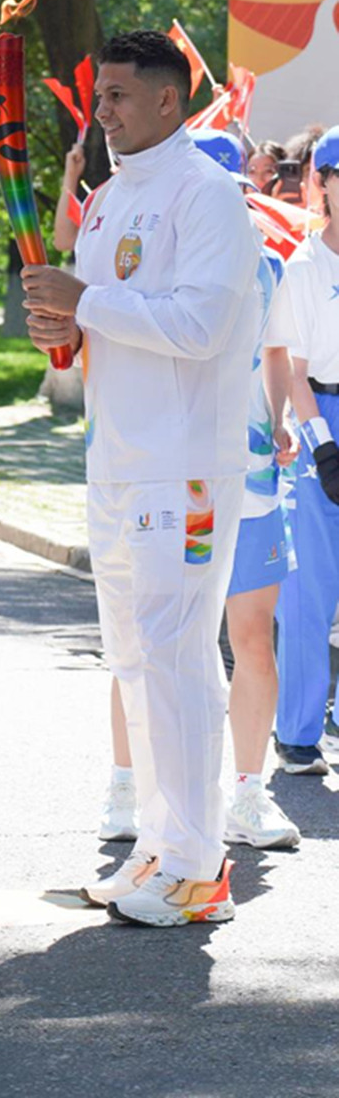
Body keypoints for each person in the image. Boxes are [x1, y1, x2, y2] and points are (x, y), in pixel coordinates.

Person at [23, 31, 259, 927]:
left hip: (185, 467)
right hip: (116, 462)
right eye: (101, 97)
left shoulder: (208, 197)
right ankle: (160, 847)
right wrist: (63, 326)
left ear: (169, 99)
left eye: (119, 96)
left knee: (177, 653)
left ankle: (201, 868)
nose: (104, 112)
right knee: (134, 659)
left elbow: (199, 326)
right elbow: (95, 323)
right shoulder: (109, 199)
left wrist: (84, 302)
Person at [96, 129, 301, 850]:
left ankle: (247, 792)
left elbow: (273, 350)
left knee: (251, 635)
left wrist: (279, 421)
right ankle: (128, 785)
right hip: (172, 471)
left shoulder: (267, 263)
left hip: (250, 475)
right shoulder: (144, 258)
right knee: (151, 638)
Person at [276, 125, 339, 773]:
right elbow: (294, 370)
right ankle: (297, 732)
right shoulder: (304, 267)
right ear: (323, 184)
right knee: (309, 592)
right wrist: (323, 447)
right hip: (322, 412)